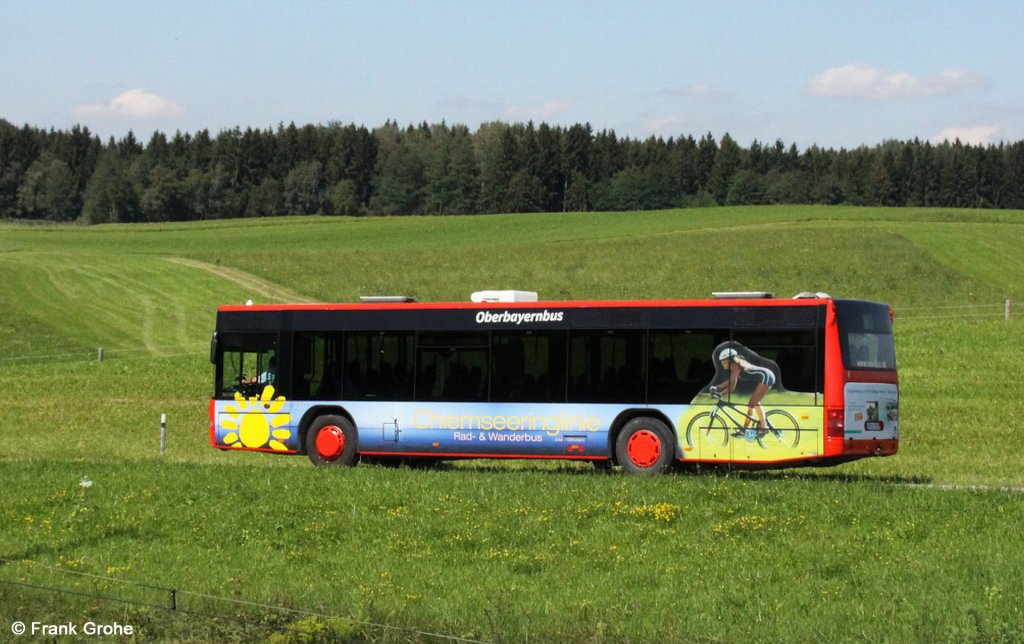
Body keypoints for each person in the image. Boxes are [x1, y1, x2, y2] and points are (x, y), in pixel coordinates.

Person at [709, 347, 775, 436]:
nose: (722, 363)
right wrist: (719, 391)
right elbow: (731, 384)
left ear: (728, 360)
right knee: (750, 405)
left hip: (766, 377)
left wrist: (718, 391)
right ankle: (744, 430)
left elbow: (731, 384)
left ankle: (764, 428)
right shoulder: (735, 366)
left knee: (754, 402)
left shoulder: (735, 365)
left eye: (723, 361)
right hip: (766, 376)